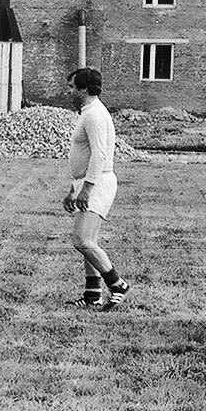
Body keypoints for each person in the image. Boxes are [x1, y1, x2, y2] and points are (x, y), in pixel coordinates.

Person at [64, 67, 131, 310]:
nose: (68, 91)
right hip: (88, 181)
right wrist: (75, 188)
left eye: (72, 87)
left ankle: (117, 284)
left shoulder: (95, 115)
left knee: (82, 239)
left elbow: (99, 156)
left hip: (99, 181)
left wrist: (87, 188)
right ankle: (92, 294)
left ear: (84, 89)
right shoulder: (88, 112)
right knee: (89, 239)